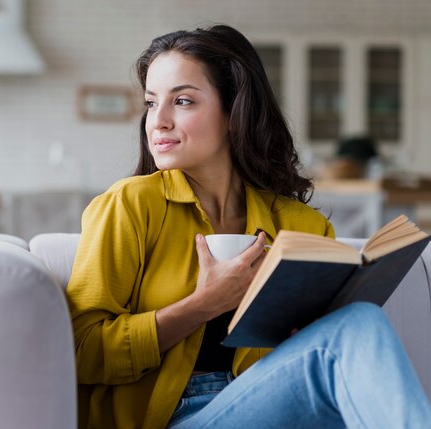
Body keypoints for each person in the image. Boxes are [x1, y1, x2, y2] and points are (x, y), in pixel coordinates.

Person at [66, 24, 431, 429]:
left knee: (358, 323)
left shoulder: (301, 226)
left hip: (273, 404)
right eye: (152, 103)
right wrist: (201, 306)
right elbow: (80, 352)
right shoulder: (130, 205)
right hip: (175, 419)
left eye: (182, 101)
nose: (159, 121)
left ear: (234, 110)